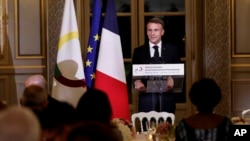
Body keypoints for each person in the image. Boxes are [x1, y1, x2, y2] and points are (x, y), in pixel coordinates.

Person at [131, 17, 180, 114]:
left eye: (156, 30)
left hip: (167, 100)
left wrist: (173, 79)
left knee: (167, 129)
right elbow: (132, 75)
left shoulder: (172, 50)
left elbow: (179, 72)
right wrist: (136, 81)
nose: (152, 33)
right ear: (147, 32)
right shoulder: (138, 51)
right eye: (149, 30)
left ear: (162, 32)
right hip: (146, 101)